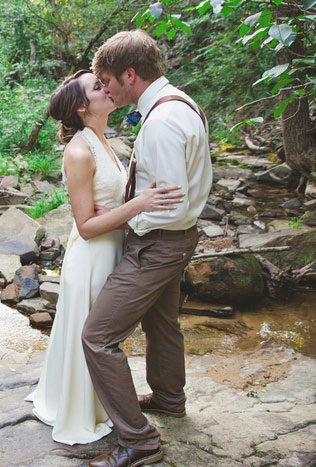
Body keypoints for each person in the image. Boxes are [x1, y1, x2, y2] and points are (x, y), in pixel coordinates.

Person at [25, 69, 184, 445]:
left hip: (115, 250)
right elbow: (86, 226)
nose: (108, 89)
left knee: (105, 335)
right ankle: (84, 411)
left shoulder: (102, 139)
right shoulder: (79, 150)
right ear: (82, 106)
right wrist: (140, 204)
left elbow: (109, 208)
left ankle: (108, 402)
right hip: (92, 258)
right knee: (94, 334)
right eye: (98, 87)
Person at [82, 30, 212, 467]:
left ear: (130, 74)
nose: (105, 90)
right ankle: (169, 398)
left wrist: (127, 219)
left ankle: (138, 442)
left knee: (98, 338)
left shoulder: (159, 122)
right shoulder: (180, 102)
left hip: (158, 244)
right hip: (176, 241)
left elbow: (168, 204)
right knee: (162, 323)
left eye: (107, 81)